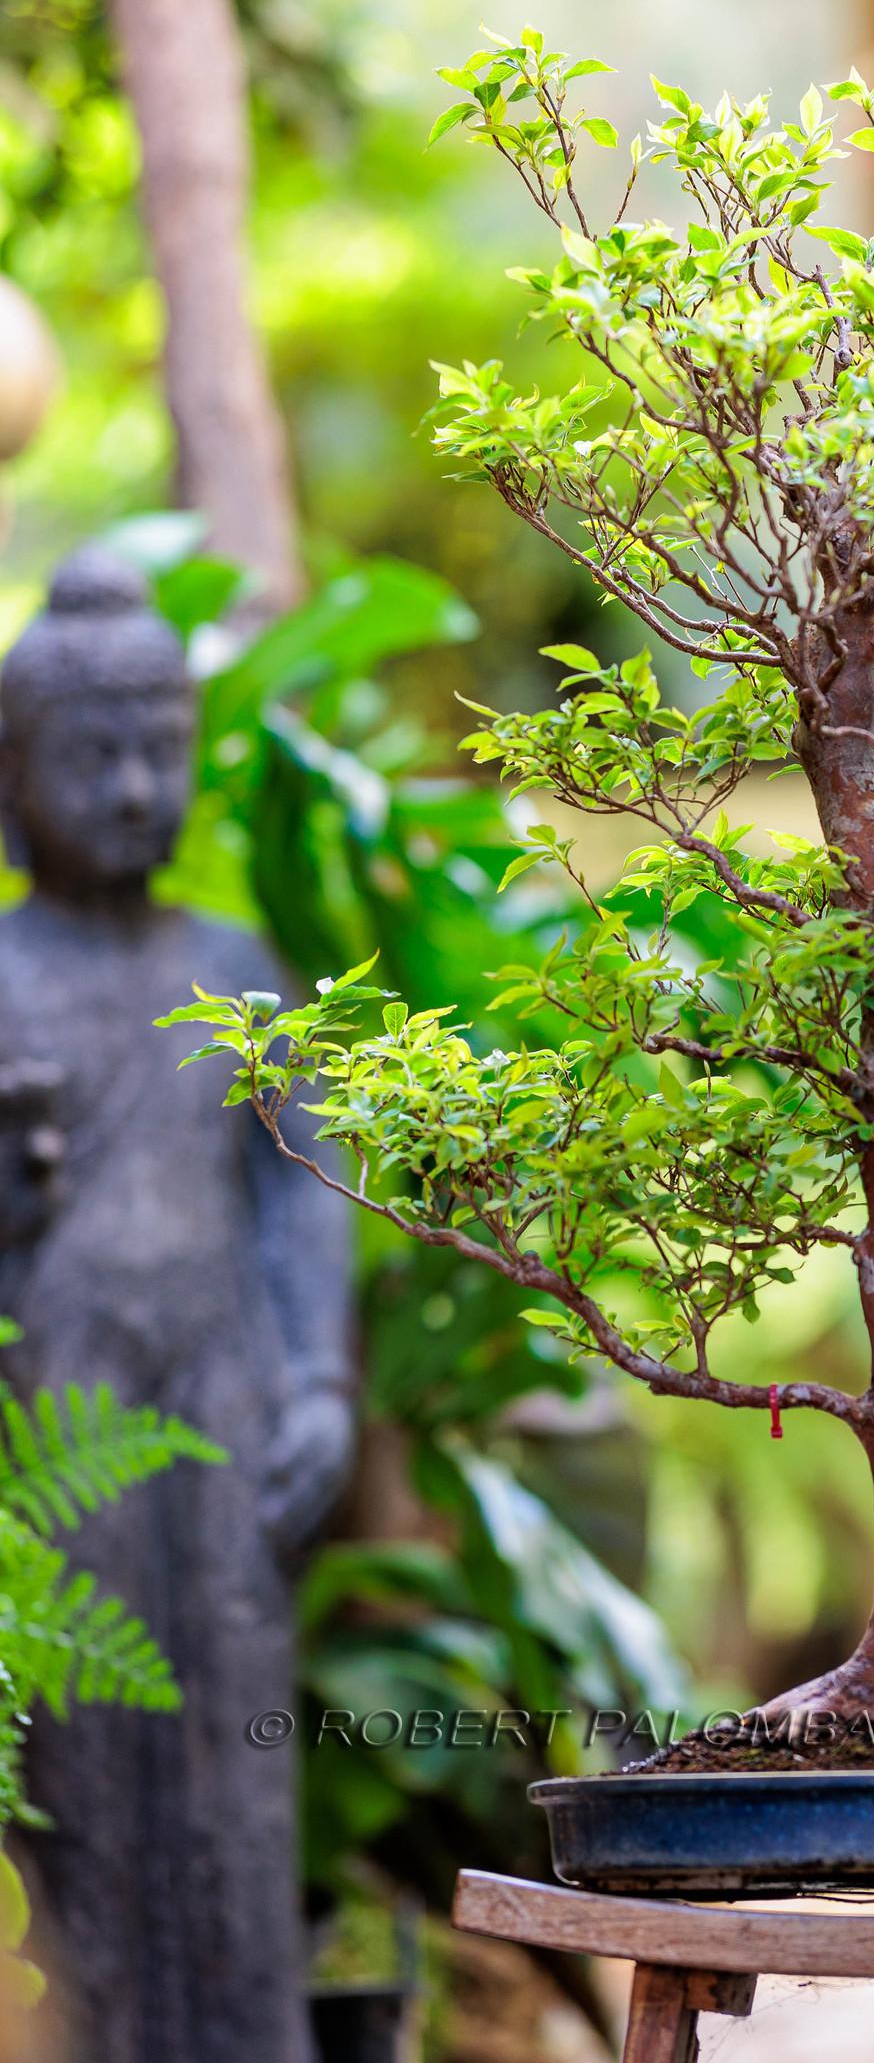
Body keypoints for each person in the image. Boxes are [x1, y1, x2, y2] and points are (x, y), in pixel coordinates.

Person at [0, 546, 353, 2063]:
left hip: (224, 1403)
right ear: (15, 770)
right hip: (52, 1409)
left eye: (162, 751)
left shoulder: (235, 968)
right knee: (74, 1768)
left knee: (234, 1760)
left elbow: (303, 1177)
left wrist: (321, 1383)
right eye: (95, 756)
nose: (137, 787)